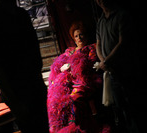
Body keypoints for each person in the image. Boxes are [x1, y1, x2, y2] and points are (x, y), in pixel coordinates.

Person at [0, 0, 49, 133]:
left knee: (43, 125)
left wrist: (38, 76)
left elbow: (34, 48)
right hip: (18, 91)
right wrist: (14, 101)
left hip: (34, 84)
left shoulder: (21, 15)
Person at [47, 21, 111, 133]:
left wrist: (73, 67)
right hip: (67, 80)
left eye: (81, 34)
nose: (79, 38)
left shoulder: (91, 48)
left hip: (83, 79)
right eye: (76, 36)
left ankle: (79, 128)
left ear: (86, 35)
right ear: (73, 38)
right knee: (55, 99)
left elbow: (90, 64)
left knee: (74, 98)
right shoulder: (69, 51)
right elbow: (59, 66)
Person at [95, 0, 139, 132]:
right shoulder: (100, 21)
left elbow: (123, 42)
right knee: (118, 106)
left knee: (131, 105)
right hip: (110, 72)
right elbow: (97, 44)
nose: (101, 1)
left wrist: (107, 61)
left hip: (125, 69)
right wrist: (103, 61)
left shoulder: (121, 15)